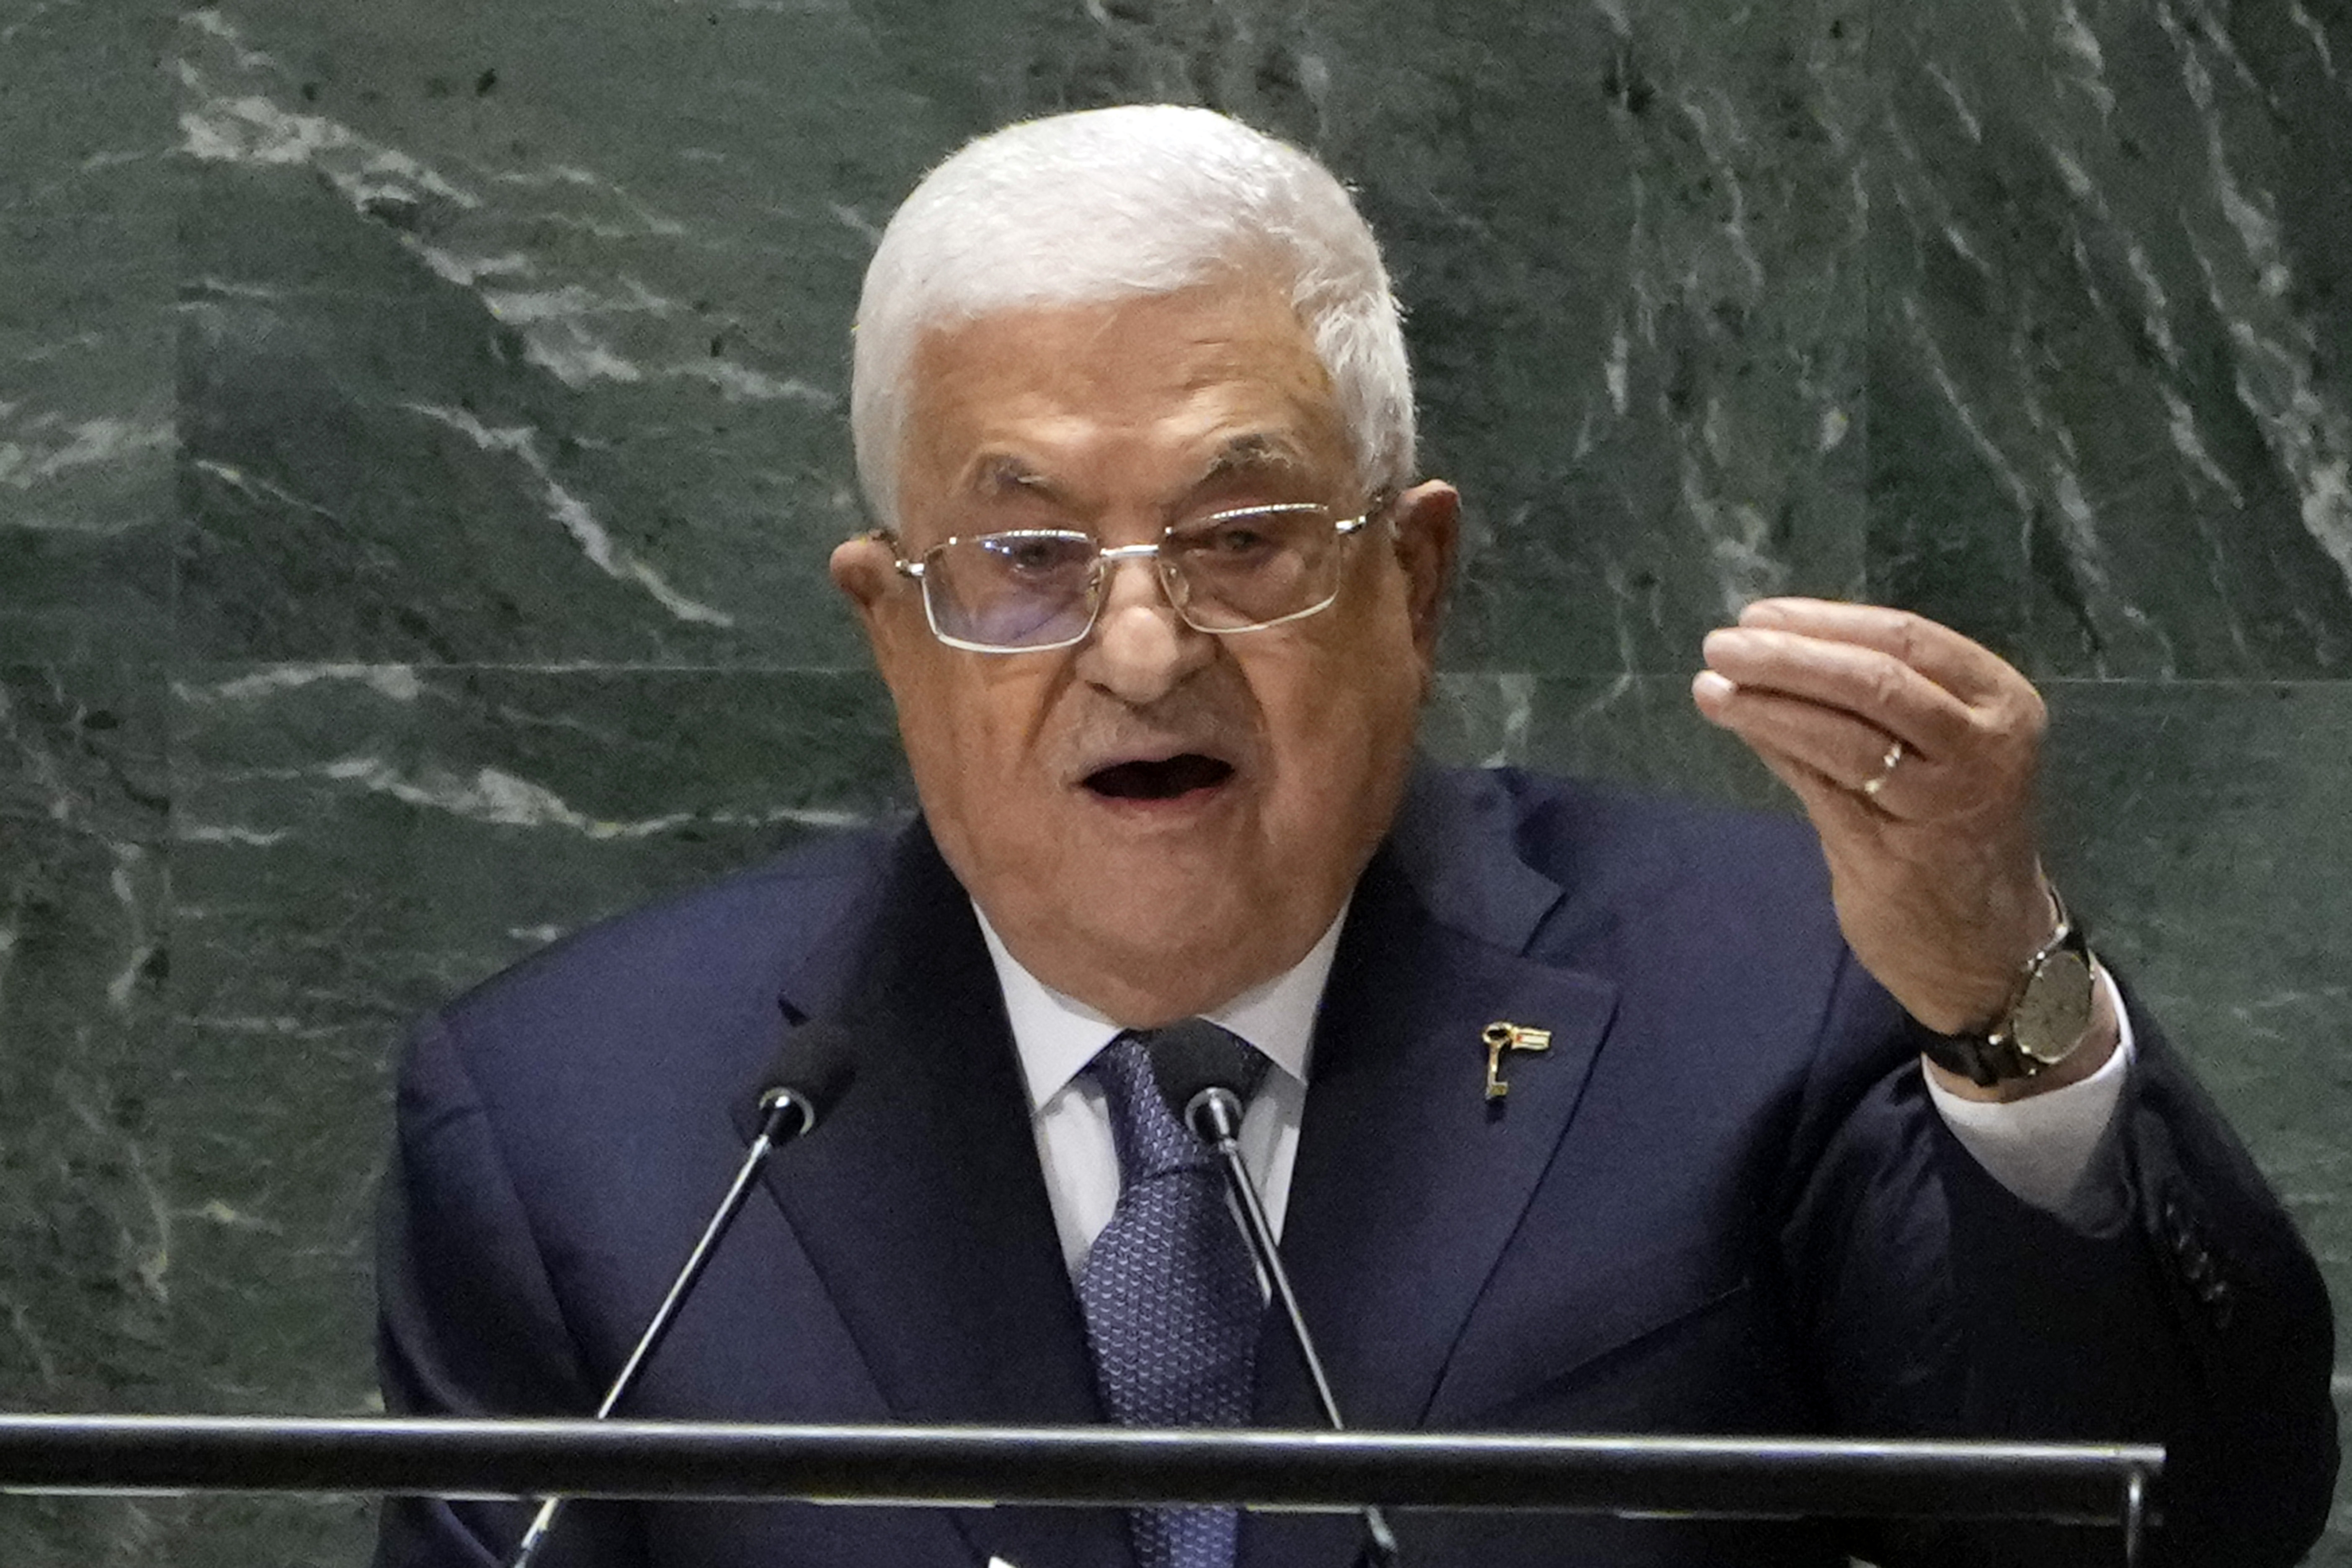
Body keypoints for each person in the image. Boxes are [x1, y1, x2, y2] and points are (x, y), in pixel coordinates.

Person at [374, 106, 2337, 1568]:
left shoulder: (1773, 1001)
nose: (1142, 650)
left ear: (1418, 578)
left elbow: (2179, 1532)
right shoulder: (576, 1129)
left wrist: (2009, 1010)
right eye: (1029, 557)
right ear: (895, 623)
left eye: (1242, 541)